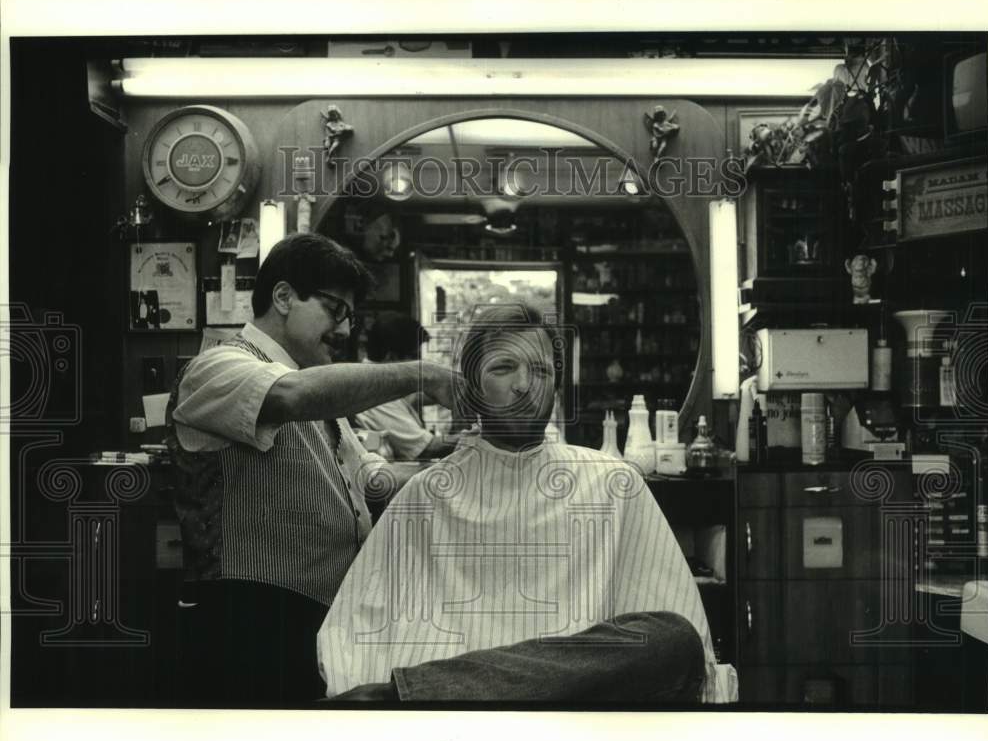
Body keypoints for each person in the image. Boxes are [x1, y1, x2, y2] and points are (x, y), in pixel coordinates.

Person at [317, 303, 731, 704]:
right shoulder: (426, 495)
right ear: (471, 385)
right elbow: (354, 632)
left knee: (674, 639)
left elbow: (684, 646)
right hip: (456, 720)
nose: (523, 384)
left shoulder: (613, 484)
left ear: (555, 383)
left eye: (539, 370)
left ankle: (424, 690)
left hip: (568, 708)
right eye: (503, 368)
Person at [165, 232, 462, 705]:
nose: (344, 330)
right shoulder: (217, 367)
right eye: (334, 310)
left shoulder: (327, 395)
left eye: (350, 315)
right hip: (245, 619)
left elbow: (373, 482)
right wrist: (423, 375)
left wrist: (467, 465)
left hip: (316, 619)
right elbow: (291, 396)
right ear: (282, 296)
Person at [354, 312, 466, 460]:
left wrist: (461, 388)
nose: (419, 365)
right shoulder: (372, 389)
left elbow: (418, 396)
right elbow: (427, 448)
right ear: (391, 357)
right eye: (414, 357)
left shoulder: (388, 382)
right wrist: (479, 436)